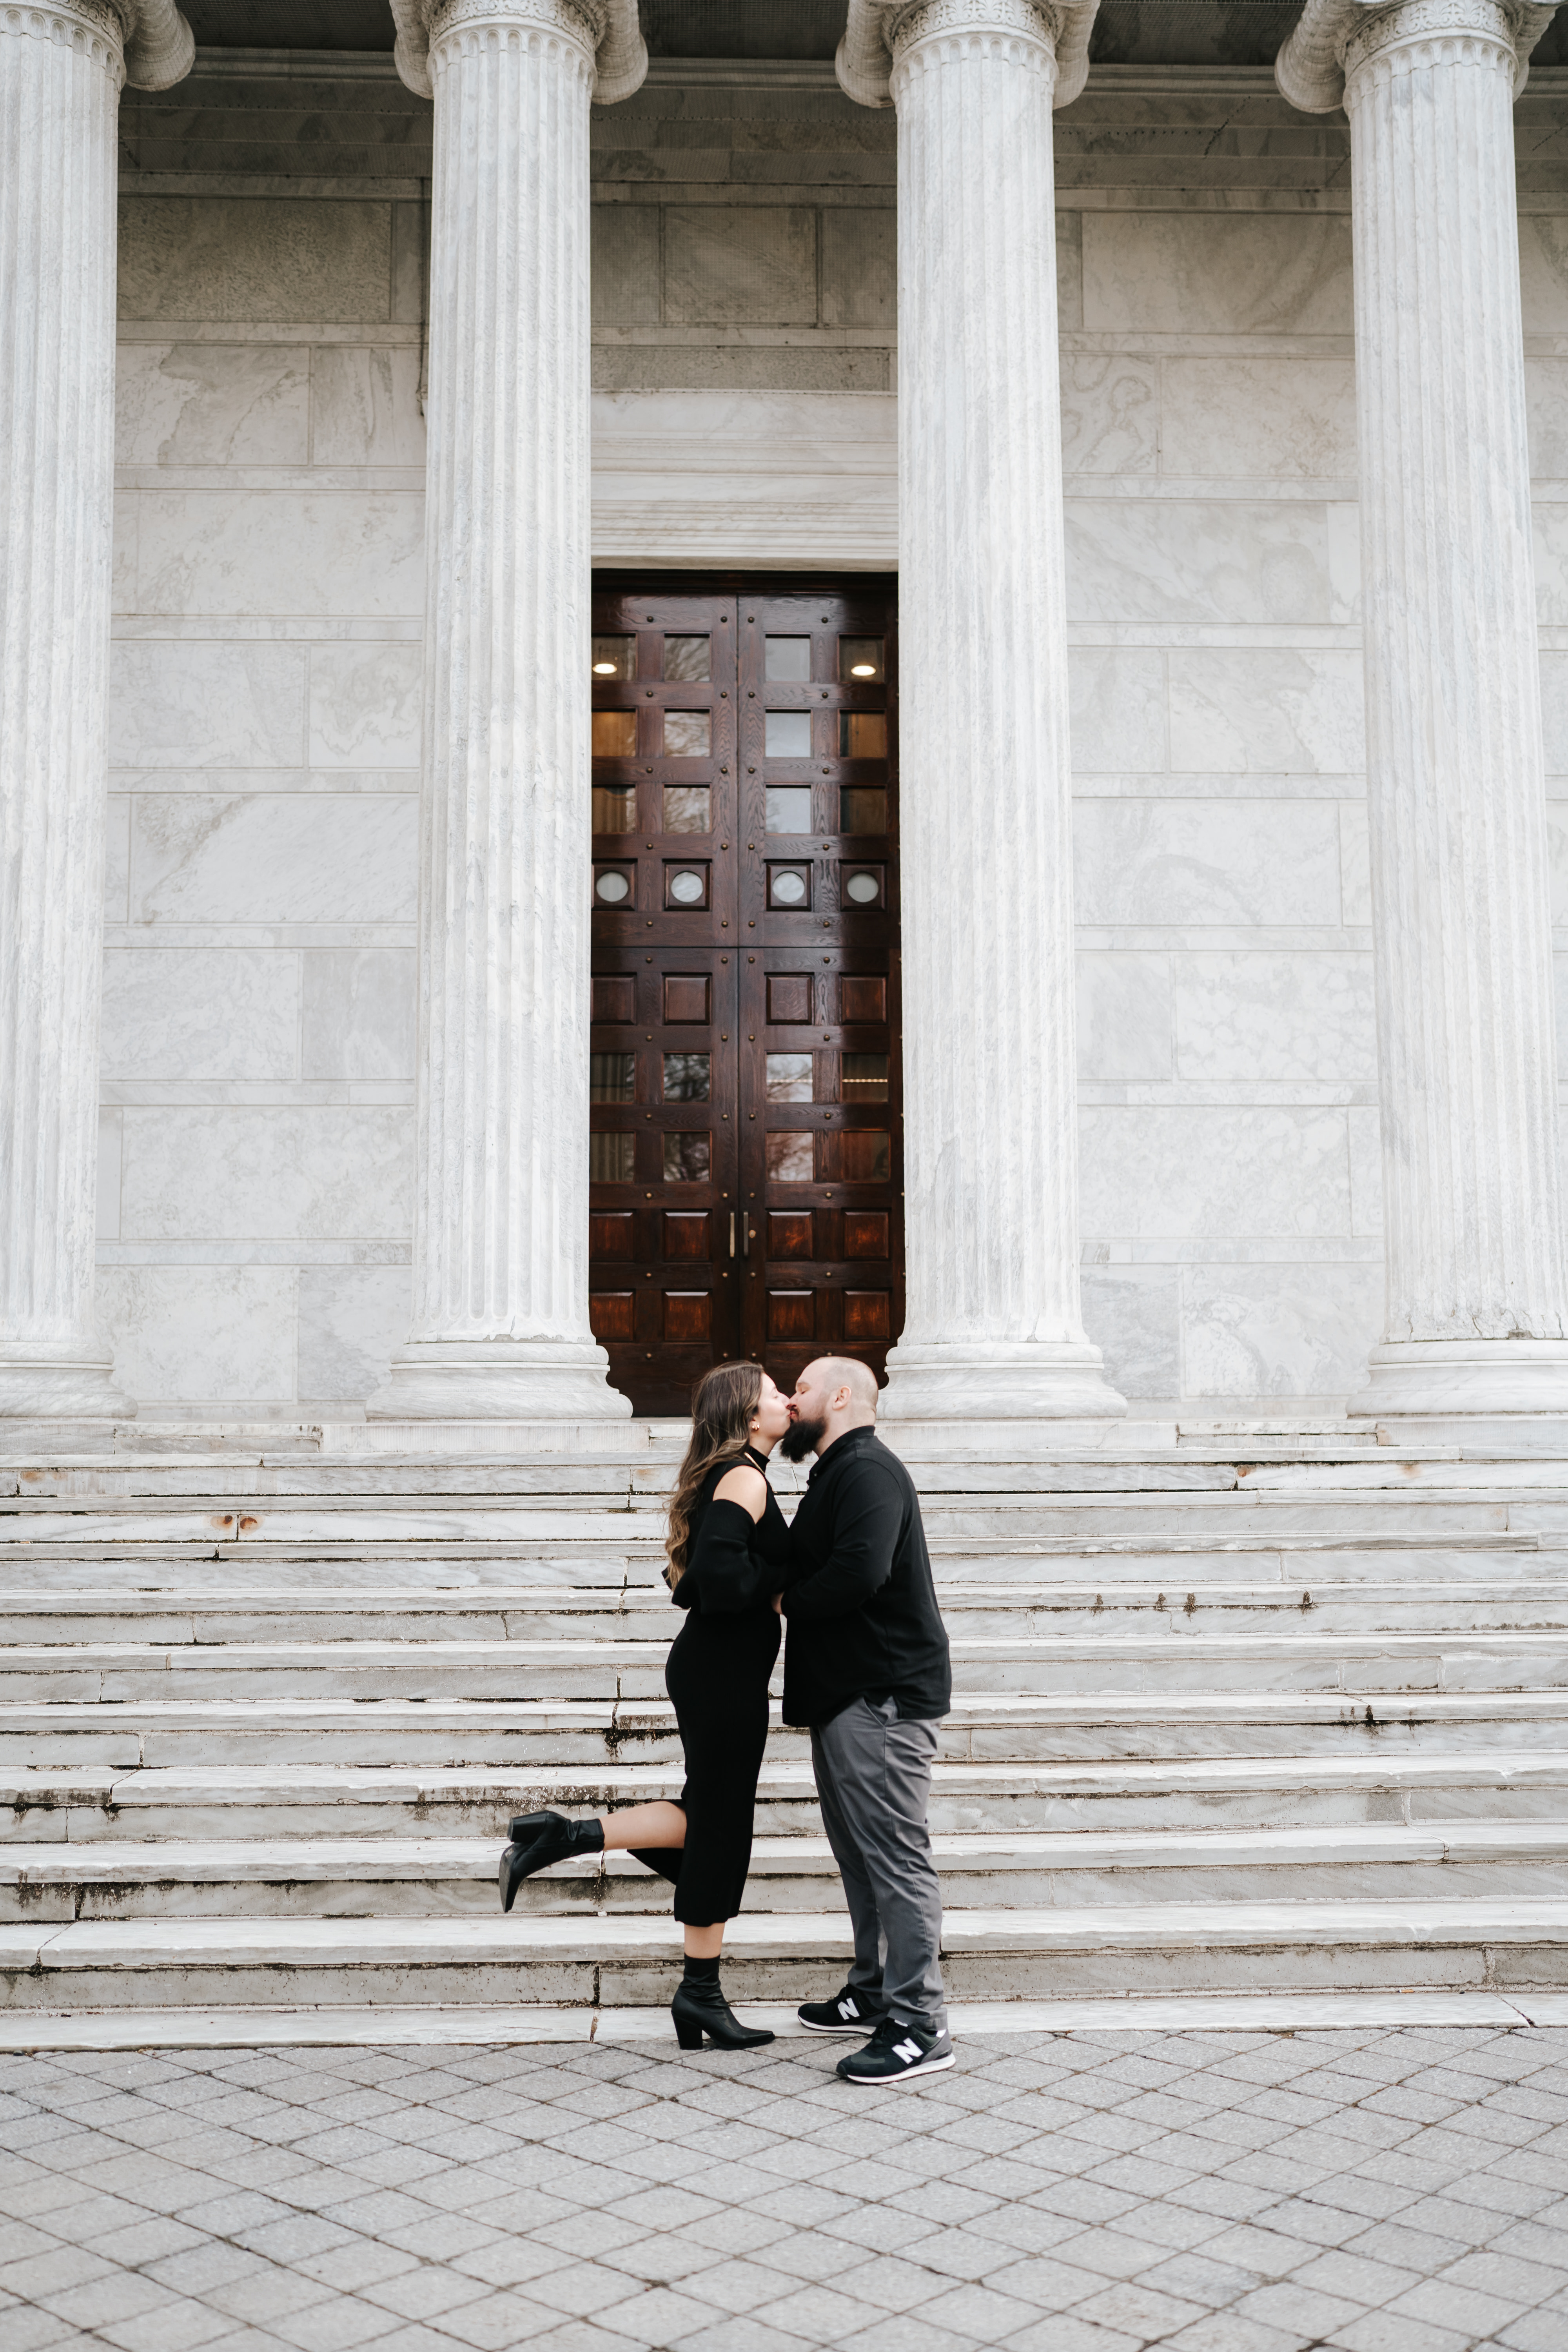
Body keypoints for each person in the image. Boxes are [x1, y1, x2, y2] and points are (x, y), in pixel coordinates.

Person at [499, 1361, 791, 2053]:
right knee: (722, 1830)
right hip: (723, 1673)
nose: (786, 1400)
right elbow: (715, 1580)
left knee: (712, 1823)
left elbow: (688, 1575)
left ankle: (564, 1837)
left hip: (718, 1668)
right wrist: (780, 1585)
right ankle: (699, 1992)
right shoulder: (746, 1475)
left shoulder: (732, 1473)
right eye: (776, 1393)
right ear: (750, 1415)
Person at [778, 1356, 954, 2083]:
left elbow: (862, 1570)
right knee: (860, 1856)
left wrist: (784, 1603)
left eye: (802, 1389)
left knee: (894, 1856)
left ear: (842, 1396)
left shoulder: (870, 1471)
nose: (791, 1402)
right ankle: (875, 1989)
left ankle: (920, 2024)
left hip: (881, 1695)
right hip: (846, 1693)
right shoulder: (834, 1472)